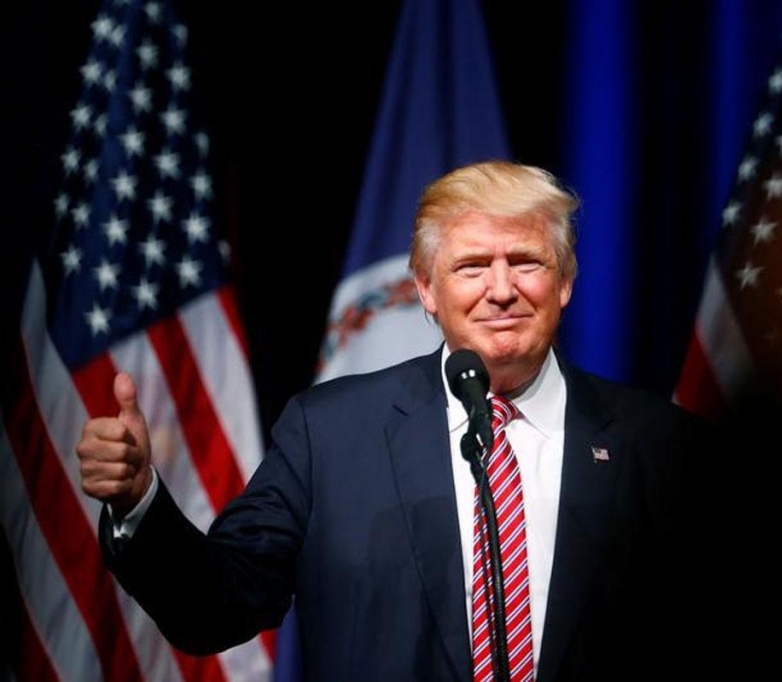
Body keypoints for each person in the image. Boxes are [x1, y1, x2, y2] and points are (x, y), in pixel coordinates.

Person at [77, 161, 708, 680]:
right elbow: (216, 609)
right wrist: (140, 505)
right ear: (426, 290)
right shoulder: (328, 434)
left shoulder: (661, 446)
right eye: (470, 267)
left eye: (526, 261)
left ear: (565, 282)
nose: (501, 288)